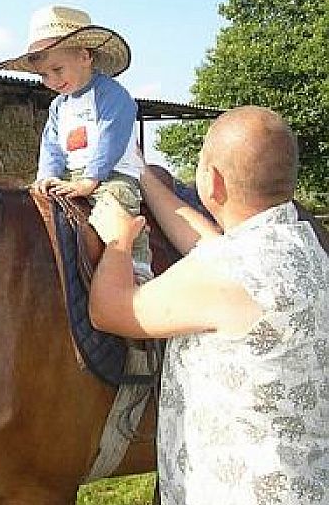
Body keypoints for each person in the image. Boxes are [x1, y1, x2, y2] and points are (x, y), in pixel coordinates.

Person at [87, 106, 329, 504]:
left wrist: (118, 241)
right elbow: (212, 245)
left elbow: (111, 309)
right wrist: (144, 175)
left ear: (211, 181)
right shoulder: (302, 245)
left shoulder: (224, 271)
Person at [0, 4, 152, 279]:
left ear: (84, 56)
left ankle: (136, 266)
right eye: (44, 75)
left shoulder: (112, 96)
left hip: (110, 176)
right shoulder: (59, 106)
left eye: (57, 69)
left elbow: (110, 139)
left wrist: (90, 181)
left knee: (116, 211)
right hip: (72, 175)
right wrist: (46, 177)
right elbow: (52, 146)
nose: (52, 80)